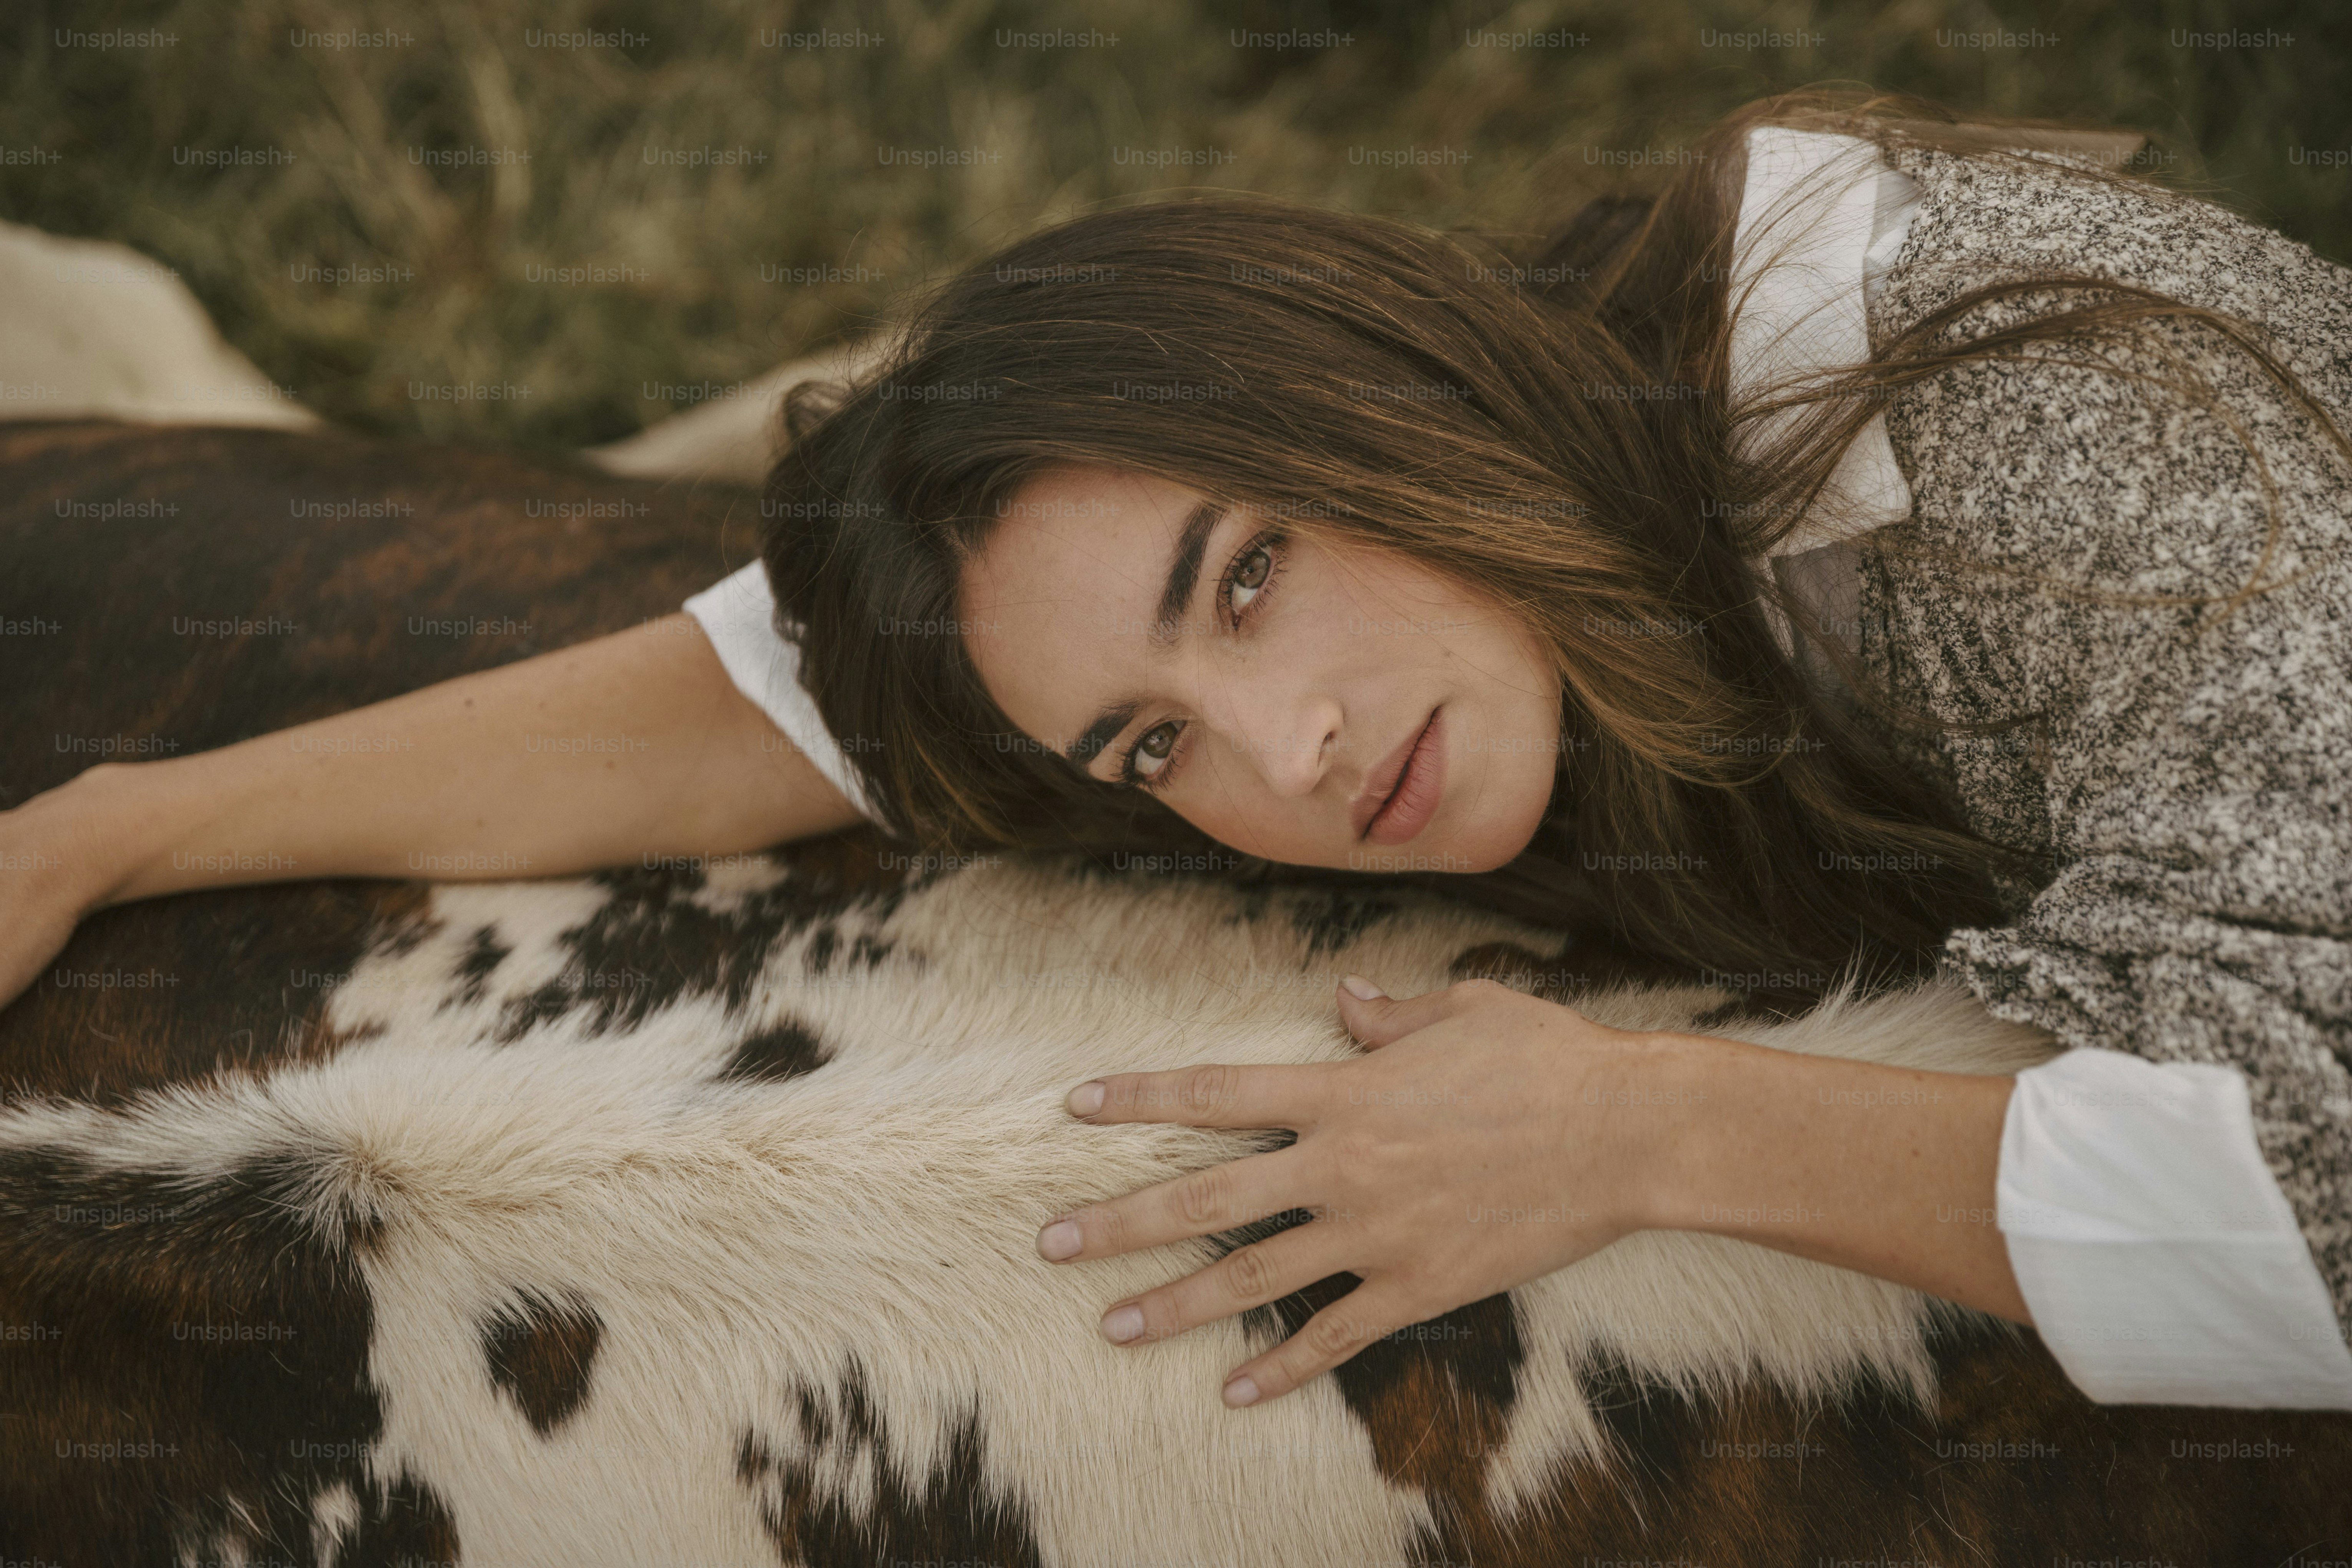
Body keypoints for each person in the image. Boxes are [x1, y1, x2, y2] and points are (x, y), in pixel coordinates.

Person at [6, 91, 2348, 1415]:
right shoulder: (1498, 517)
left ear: (1368, 389)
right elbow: (749, 709)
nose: (1288, 754)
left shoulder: (2012, 452)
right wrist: (114, 835)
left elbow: (2324, 1177)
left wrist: (1637, 1119)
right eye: (1150, 745)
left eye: (1244, 572)